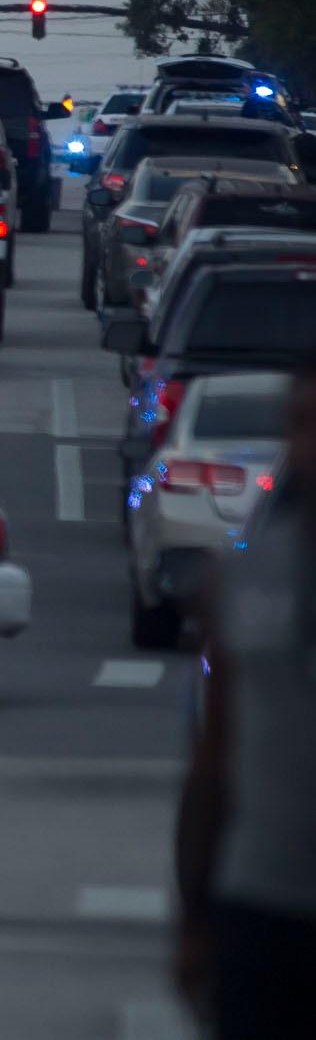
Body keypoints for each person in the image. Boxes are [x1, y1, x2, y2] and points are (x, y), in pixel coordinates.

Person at [173, 364, 316, 1038]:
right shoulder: (243, 573)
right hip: (257, 897)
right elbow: (213, 754)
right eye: (301, 425)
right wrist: (193, 917)